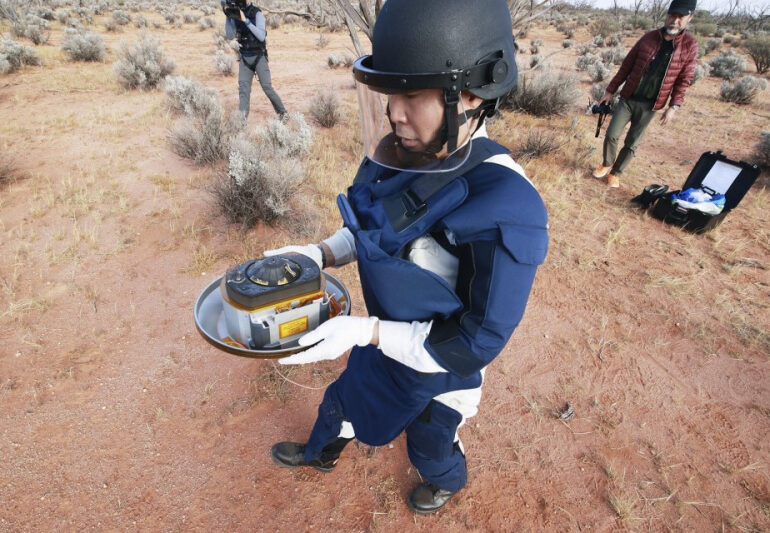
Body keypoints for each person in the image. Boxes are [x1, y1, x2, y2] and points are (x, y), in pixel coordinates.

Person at [264, 0, 548, 515]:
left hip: (440, 369)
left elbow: (471, 343)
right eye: (389, 94)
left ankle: (447, 479)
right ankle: (320, 452)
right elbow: (372, 230)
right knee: (343, 401)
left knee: (429, 442)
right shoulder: (401, 151)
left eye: (412, 94)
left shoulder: (508, 205)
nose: (394, 112)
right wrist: (321, 253)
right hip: (384, 338)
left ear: (468, 94)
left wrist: (365, 331)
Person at [592, 0, 698, 188]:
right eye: (672, 15)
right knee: (611, 134)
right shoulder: (649, 38)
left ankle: (616, 173)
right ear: (667, 16)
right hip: (628, 98)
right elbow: (626, 66)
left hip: (651, 105)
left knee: (632, 142)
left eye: (681, 17)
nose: (675, 21)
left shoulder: (689, 45)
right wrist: (610, 90)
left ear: (689, 18)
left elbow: (684, 80)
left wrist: (673, 107)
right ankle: (607, 164)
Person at [221, 0, 286, 119]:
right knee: (243, 90)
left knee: (267, 87)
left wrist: (245, 20)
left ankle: (283, 113)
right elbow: (230, 35)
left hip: (259, 57)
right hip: (245, 58)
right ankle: (241, 121)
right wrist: (228, 16)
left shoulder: (257, 14)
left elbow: (261, 36)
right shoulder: (236, 13)